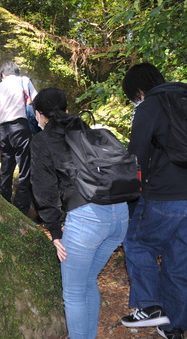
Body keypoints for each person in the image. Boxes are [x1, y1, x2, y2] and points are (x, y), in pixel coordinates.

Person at [120, 63, 187, 339]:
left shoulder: (150, 106)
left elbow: (137, 159)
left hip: (168, 196)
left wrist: (131, 203)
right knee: (181, 266)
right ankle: (173, 329)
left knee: (138, 242)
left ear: (139, 90)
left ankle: (149, 306)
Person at [30, 87, 128, 339]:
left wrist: (55, 232)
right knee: (87, 281)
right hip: (120, 214)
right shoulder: (85, 129)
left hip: (88, 220)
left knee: (73, 291)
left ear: (40, 114)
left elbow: (44, 189)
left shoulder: (43, 140)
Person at [0, 61, 36, 214]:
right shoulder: (24, 81)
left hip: (4, 130)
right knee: (25, 170)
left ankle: (3, 209)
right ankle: (20, 211)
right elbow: (36, 102)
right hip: (21, 128)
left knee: (6, 170)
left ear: (3, 74)